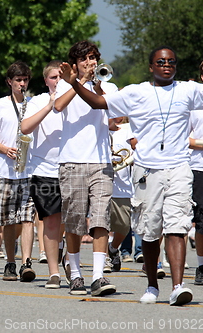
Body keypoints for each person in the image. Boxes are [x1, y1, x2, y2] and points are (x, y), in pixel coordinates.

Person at [59, 45, 203, 306]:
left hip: (179, 168)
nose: (166, 65)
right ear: (151, 67)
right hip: (147, 170)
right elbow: (98, 103)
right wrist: (75, 83)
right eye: (160, 61)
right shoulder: (137, 92)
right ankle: (152, 286)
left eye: (171, 61)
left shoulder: (189, 90)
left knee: (177, 226)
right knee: (149, 232)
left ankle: (178, 286)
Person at [54, 41, 118, 297]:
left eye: (93, 58)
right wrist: (75, 82)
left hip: (101, 161)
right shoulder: (64, 83)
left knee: (101, 218)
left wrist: (96, 83)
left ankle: (99, 276)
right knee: (75, 220)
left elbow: (109, 111)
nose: (90, 63)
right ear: (76, 63)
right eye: (85, 59)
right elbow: (58, 106)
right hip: (72, 160)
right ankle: (76, 273)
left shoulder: (107, 84)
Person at [0, 61, 37, 282]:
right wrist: (5, 150)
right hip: (5, 171)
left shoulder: (33, 104)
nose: (22, 84)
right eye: (18, 80)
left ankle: (26, 262)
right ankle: (10, 261)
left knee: (27, 219)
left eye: (25, 80)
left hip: (28, 170)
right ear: (9, 82)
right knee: (7, 220)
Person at [21, 60, 63, 288]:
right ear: (46, 80)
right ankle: (54, 272)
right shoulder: (36, 101)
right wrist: (50, 105)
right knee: (50, 221)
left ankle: (64, 251)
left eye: (61, 77)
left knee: (69, 221)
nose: (58, 81)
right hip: (44, 169)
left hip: (70, 167)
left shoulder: (75, 98)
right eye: (54, 77)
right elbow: (25, 127)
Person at [105, 117, 134, 273]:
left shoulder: (126, 131)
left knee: (124, 225)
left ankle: (113, 248)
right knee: (101, 224)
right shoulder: (97, 131)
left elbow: (137, 150)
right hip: (101, 184)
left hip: (122, 187)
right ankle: (104, 259)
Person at [188, 59, 203, 286]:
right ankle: (202, 266)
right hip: (200, 167)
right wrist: (202, 144)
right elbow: (183, 137)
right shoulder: (194, 105)